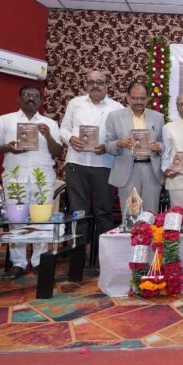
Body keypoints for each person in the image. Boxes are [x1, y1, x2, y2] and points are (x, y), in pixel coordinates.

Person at [0, 85, 63, 279]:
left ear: (41, 101)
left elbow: (58, 152)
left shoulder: (49, 123)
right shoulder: (5, 120)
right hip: (15, 176)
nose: (31, 98)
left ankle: (39, 261)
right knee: (16, 221)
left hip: (42, 178)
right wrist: (7, 147)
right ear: (18, 98)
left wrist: (48, 135)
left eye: (36, 96)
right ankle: (18, 263)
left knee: (42, 220)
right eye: (27, 95)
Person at [59, 70, 122, 239]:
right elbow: (63, 129)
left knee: (104, 212)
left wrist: (107, 147)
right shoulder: (75, 103)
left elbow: (122, 137)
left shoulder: (117, 108)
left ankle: (103, 252)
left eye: (100, 82)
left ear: (107, 85)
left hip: (104, 164)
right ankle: (79, 251)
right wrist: (71, 139)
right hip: (76, 163)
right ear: (86, 85)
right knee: (78, 212)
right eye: (91, 82)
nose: (95, 86)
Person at [105, 81, 164, 219]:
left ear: (148, 98)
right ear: (128, 98)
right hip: (126, 171)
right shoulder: (114, 116)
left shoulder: (158, 117)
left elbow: (164, 143)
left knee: (150, 216)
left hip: (151, 170)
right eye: (135, 98)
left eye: (142, 98)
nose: (139, 101)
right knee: (130, 217)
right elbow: (107, 145)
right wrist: (119, 143)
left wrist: (159, 146)